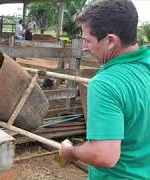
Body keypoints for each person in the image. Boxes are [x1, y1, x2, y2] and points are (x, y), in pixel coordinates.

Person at [59, 0, 150, 179]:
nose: (85, 48)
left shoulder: (105, 84)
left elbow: (104, 155)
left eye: (88, 40)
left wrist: (72, 152)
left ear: (110, 41)